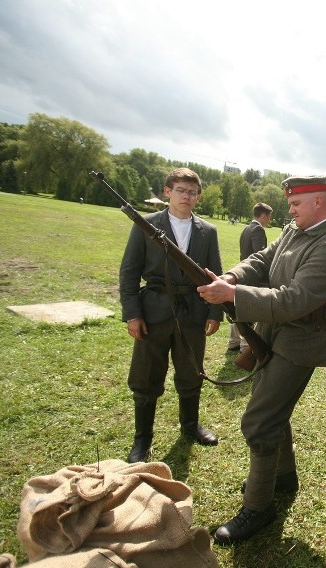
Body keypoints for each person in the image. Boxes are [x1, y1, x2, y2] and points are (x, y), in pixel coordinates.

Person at [197, 175, 326, 544]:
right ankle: (282, 479)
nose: (290, 209)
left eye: (296, 204)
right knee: (271, 412)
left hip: (299, 344)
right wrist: (232, 275)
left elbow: (292, 300)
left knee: (259, 421)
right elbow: (264, 259)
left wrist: (232, 294)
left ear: (318, 202)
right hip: (273, 335)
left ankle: (259, 507)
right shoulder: (296, 230)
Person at [118, 167, 223, 463]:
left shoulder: (208, 231)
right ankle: (142, 439)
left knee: (191, 372)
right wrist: (132, 314)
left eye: (192, 192)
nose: (187, 197)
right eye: (181, 190)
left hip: (192, 310)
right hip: (153, 310)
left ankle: (190, 427)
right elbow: (129, 272)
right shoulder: (146, 225)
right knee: (146, 375)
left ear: (198, 196)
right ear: (167, 191)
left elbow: (215, 273)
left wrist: (215, 311)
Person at [227, 202, 273, 352]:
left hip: (242, 271)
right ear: (264, 215)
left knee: (237, 306)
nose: (269, 220)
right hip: (252, 275)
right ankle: (246, 345)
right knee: (248, 308)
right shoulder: (258, 229)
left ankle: (234, 341)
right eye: (269, 216)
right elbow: (259, 254)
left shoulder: (247, 227)